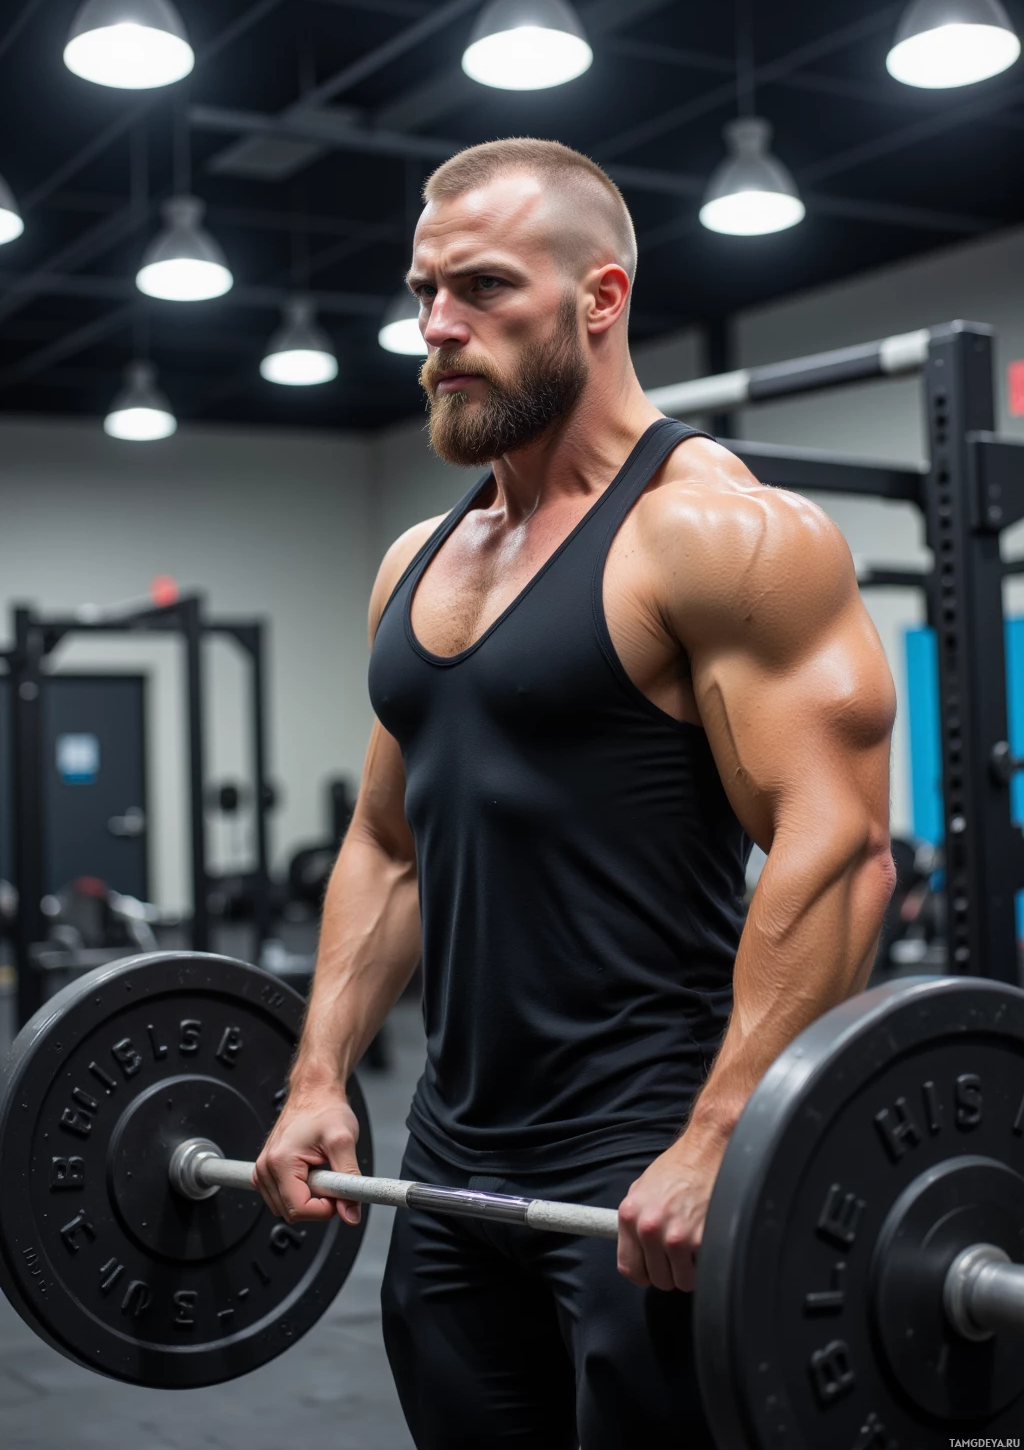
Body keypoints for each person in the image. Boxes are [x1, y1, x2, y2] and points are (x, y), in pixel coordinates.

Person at [253, 138, 897, 1448]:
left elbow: (840, 848)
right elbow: (387, 845)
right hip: (448, 1162)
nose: (436, 327)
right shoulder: (413, 563)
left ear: (600, 298)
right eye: (424, 291)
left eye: (482, 289)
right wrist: (318, 1075)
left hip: (644, 1168)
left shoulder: (717, 535)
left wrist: (725, 1139)